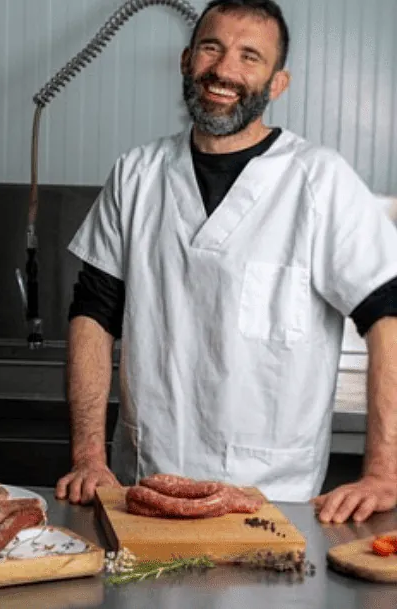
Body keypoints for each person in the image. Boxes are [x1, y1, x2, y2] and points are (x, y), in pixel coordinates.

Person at [55, 0, 397, 524]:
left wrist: (384, 471)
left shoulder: (319, 181)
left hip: (273, 499)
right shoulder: (137, 174)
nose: (224, 70)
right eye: (212, 48)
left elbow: (388, 315)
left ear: (277, 83)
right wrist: (88, 457)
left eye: (249, 56)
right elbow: (92, 314)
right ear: (187, 59)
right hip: (145, 488)